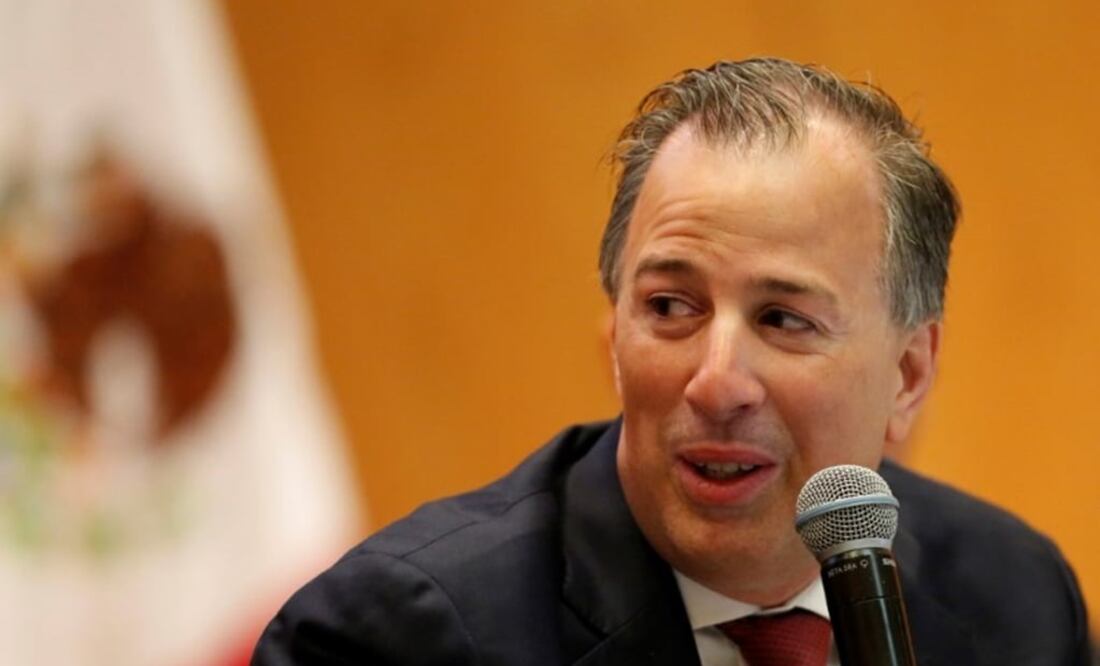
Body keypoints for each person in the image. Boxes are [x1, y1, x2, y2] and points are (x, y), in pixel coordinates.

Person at [252, 58, 1090, 665]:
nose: (717, 381)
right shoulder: (395, 640)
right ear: (614, 337)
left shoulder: (1014, 599)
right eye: (670, 308)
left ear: (907, 375)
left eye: (784, 318)